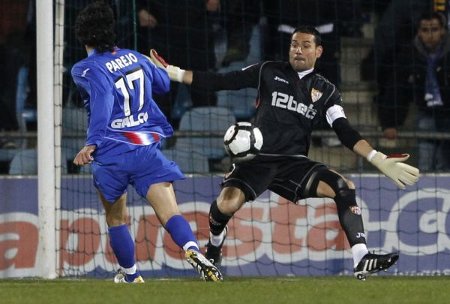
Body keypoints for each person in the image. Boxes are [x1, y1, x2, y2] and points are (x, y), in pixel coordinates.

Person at [150, 25, 420, 280]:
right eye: (294, 45)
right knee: (225, 206)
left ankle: (361, 257)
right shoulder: (268, 70)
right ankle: (215, 245)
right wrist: (172, 72)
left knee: (343, 185)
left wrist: (376, 158)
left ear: (319, 51)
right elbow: (221, 81)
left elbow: (344, 130)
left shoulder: (327, 92)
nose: (298, 50)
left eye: (305, 45)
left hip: (294, 164)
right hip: (256, 160)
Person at [71, 1, 222, 283]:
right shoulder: (135, 56)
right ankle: (193, 250)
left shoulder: (85, 68)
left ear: (82, 36)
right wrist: (156, 67)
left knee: (116, 218)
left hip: (112, 153)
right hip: (145, 149)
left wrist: (91, 143)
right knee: (170, 212)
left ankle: (131, 275)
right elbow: (164, 86)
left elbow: (103, 100)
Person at [378, 11, 450, 172]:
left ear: (443, 31)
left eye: (435, 29)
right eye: (425, 30)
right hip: (426, 113)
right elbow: (397, 89)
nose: (430, 35)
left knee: (445, 166)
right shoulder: (410, 55)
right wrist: (390, 123)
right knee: (425, 163)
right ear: (418, 32)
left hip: (448, 114)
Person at [135, 0, 220, 127]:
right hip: (162, 40)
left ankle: (211, 143)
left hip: (197, 42)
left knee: (205, 103)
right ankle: (160, 144)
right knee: (159, 107)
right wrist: (139, 10)